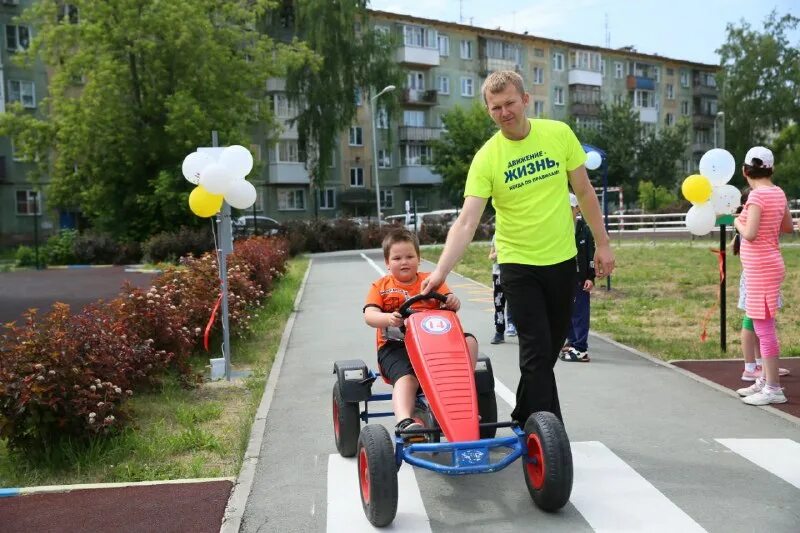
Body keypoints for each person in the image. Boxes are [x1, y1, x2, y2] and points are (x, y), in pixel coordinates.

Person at [420, 70, 615, 425]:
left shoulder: (558, 134)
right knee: (535, 351)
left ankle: (526, 415)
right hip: (518, 264)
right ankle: (547, 435)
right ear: (488, 111)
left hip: (562, 261)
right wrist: (440, 271)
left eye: (510, 102)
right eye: (496, 107)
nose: (504, 111)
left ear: (525, 100)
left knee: (550, 349)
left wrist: (602, 244)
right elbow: (467, 221)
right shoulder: (487, 158)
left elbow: (585, 192)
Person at [364, 229, 479, 434]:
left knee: (469, 341)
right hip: (396, 346)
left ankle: (460, 403)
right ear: (387, 262)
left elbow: (450, 303)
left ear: (419, 259)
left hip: (435, 345)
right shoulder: (381, 286)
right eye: (397, 258)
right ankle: (405, 421)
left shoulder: (432, 281)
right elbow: (370, 315)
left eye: (409, 256)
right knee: (407, 378)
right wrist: (388, 318)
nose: (404, 262)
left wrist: (453, 301)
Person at [734, 146, 795, 405]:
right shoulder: (778, 193)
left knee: (764, 330)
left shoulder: (757, 197)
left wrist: (736, 220)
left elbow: (749, 233)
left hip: (761, 268)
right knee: (762, 326)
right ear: (771, 169)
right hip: (769, 265)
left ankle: (773, 388)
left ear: (745, 171)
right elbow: (789, 228)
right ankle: (765, 380)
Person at [732, 190, 789, 382]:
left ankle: (764, 365)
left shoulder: (756, 221)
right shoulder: (747, 222)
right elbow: (747, 237)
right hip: (755, 276)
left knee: (761, 325)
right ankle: (751, 367)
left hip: (762, 273)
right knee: (752, 322)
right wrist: (737, 222)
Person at [560, 193, 595, 363]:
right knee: (564, 311)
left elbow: (591, 255)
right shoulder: (559, 229)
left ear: (577, 209)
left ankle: (581, 347)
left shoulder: (584, 230)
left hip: (580, 278)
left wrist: (591, 277)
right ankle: (572, 341)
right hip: (563, 278)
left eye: (570, 209)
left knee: (580, 313)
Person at [489, 233, 516, 344]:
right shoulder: (496, 236)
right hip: (498, 274)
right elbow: (490, 256)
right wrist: (498, 253)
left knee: (516, 303)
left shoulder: (515, 234)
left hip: (513, 273)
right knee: (499, 304)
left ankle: (519, 330)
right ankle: (499, 333)